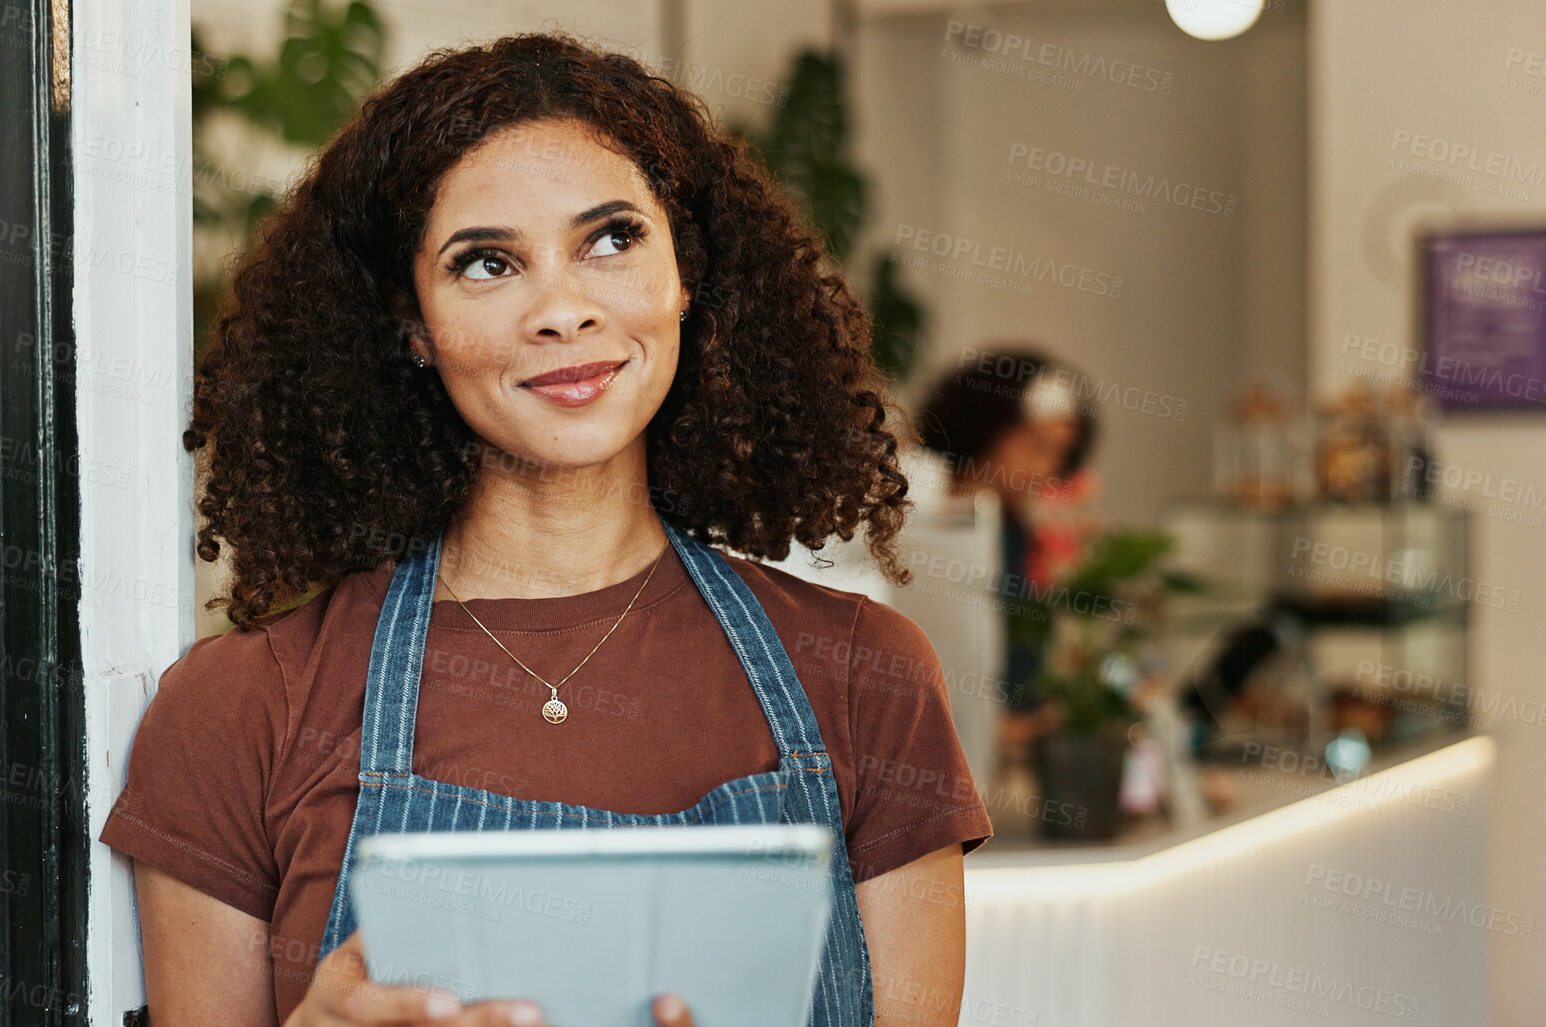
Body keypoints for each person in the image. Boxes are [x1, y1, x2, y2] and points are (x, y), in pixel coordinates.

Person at [99, 32, 992, 1027]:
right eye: (488, 263)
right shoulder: (241, 709)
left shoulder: (867, 676)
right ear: (413, 329)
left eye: (611, 240)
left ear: (685, 276)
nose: (562, 309)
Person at [913, 347, 1099, 738]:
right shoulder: (925, 524)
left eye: (1060, 454)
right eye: (1036, 448)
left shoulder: (1018, 534)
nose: (1047, 469)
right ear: (983, 432)